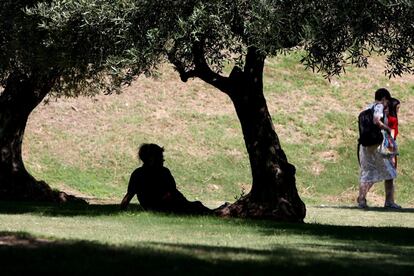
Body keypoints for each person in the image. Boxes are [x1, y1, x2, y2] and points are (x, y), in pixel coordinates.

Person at [120, 143, 212, 215]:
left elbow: (128, 196)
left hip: (156, 207)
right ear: (151, 159)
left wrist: (122, 210)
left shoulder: (137, 174)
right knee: (197, 206)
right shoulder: (163, 172)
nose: (163, 160)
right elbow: (172, 192)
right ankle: (217, 213)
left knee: (196, 206)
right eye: (160, 157)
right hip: (166, 206)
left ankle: (215, 212)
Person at [357, 88, 401, 209]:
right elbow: (377, 120)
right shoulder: (379, 107)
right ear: (383, 99)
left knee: (367, 172)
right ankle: (389, 201)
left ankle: (361, 199)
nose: (387, 104)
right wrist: (387, 129)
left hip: (366, 145)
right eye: (387, 101)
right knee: (390, 171)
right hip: (377, 144)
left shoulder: (367, 107)